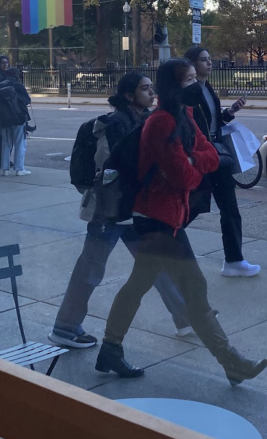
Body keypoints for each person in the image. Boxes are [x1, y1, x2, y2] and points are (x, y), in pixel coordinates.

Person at [96, 59, 267, 384]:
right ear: (173, 87)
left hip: (168, 218)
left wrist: (197, 158)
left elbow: (211, 153)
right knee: (194, 287)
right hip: (155, 219)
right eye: (188, 80)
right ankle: (232, 362)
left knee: (139, 283)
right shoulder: (161, 123)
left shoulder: (185, 116)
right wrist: (198, 161)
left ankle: (110, 348)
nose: (196, 84)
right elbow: (186, 176)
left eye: (195, 78)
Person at [49, 72, 191, 349]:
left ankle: (185, 316)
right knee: (91, 268)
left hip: (131, 209)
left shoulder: (143, 120)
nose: (151, 93)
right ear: (129, 95)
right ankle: (64, 328)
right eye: (145, 89)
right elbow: (110, 169)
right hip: (112, 211)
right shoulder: (116, 124)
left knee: (155, 263)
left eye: (152, 88)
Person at [182, 45, 260, 277]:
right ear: (192, 64)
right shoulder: (190, 91)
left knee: (230, 209)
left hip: (216, 154)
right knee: (193, 206)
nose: (210, 63)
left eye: (209, 59)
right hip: (202, 156)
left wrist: (230, 112)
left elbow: (213, 122)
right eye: (204, 60)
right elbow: (191, 126)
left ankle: (234, 261)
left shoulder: (207, 88)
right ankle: (163, 241)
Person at [0, 67, 32, 176]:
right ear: (16, 74)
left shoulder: (0, 85)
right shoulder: (17, 85)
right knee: (20, 143)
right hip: (18, 118)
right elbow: (27, 100)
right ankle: (19, 169)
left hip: (4, 118)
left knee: (6, 143)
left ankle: (5, 169)